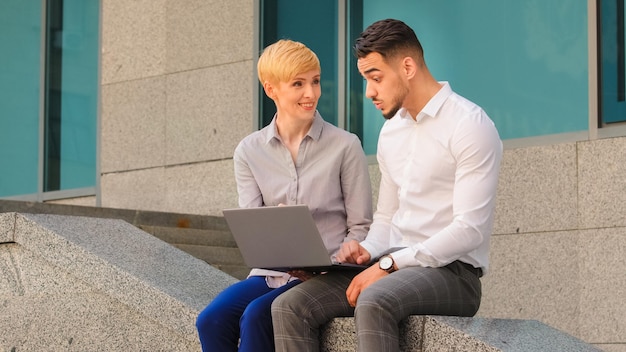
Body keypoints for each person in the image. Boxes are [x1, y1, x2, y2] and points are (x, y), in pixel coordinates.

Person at [272, 19, 503, 351]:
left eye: (376, 78)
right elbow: (387, 219)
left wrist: (388, 264)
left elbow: (469, 230)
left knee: (374, 300)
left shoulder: (469, 125)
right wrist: (367, 250)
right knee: (290, 306)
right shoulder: (392, 133)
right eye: (366, 79)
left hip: (455, 274)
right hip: (391, 263)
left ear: (407, 66)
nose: (369, 92)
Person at [195, 39, 372, 352]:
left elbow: (361, 227)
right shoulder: (249, 151)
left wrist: (342, 255)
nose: (311, 94)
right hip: (270, 273)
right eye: (298, 84)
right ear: (271, 89)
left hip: (327, 274)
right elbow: (251, 226)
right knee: (211, 319)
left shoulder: (345, 146)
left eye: (315, 81)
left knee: (256, 316)